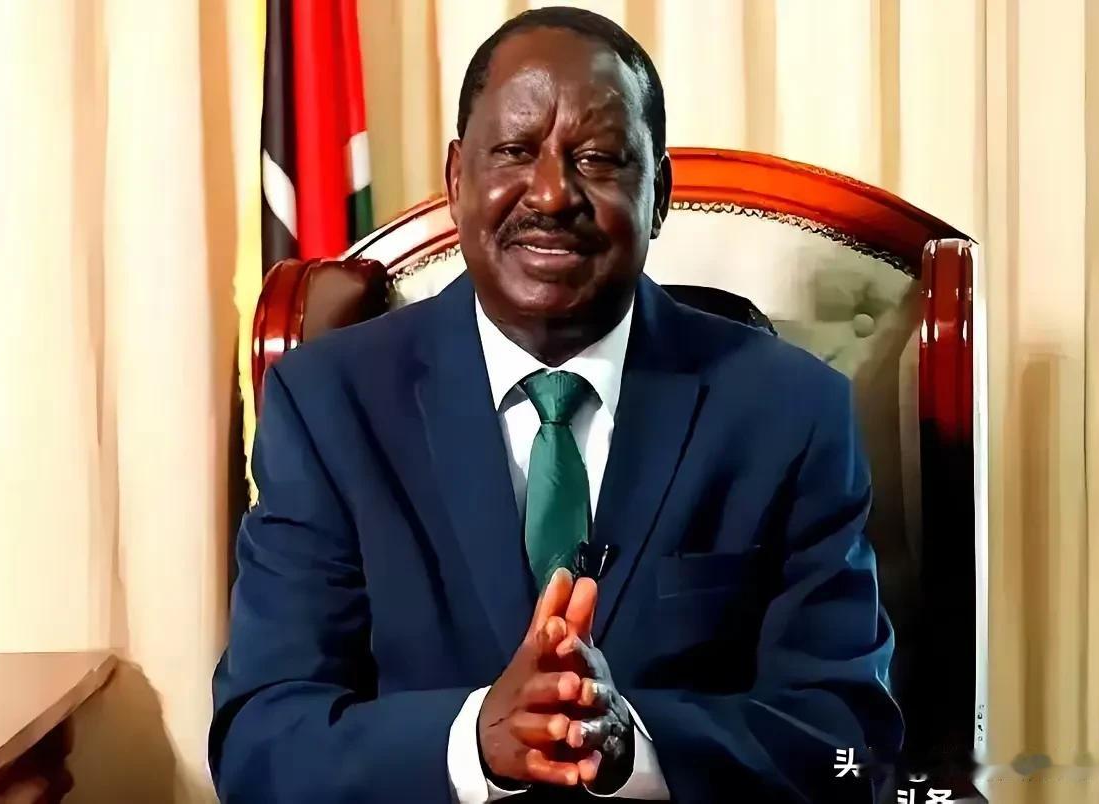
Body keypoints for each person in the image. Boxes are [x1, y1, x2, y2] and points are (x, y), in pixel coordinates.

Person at [209, 7, 902, 803]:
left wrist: (632, 744)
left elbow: (847, 742)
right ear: (456, 180)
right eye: (513, 151)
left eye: (598, 158)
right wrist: (475, 740)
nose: (550, 193)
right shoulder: (330, 407)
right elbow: (262, 746)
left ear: (659, 195)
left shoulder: (793, 412)